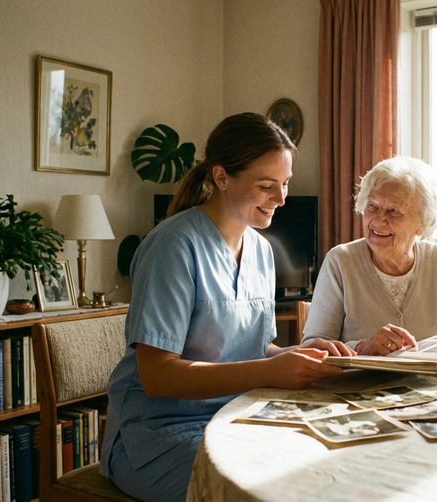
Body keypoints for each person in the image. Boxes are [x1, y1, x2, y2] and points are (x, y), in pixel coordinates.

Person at [99, 112, 353, 502]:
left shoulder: (262, 251)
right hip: (157, 436)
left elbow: (253, 349)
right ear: (221, 177)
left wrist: (301, 356)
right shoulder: (173, 246)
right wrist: (272, 370)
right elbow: (158, 376)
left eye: (285, 185)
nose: (281, 199)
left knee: (328, 464)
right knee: (276, 488)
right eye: (267, 186)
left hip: (235, 418)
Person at [301, 156, 437, 359]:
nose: (378, 220)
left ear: (422, 225)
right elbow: (311, 348)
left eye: (394, 211)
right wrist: (363, 347)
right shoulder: (341, 262)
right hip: (360, 390)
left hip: (431, 393)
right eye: (372, 206)